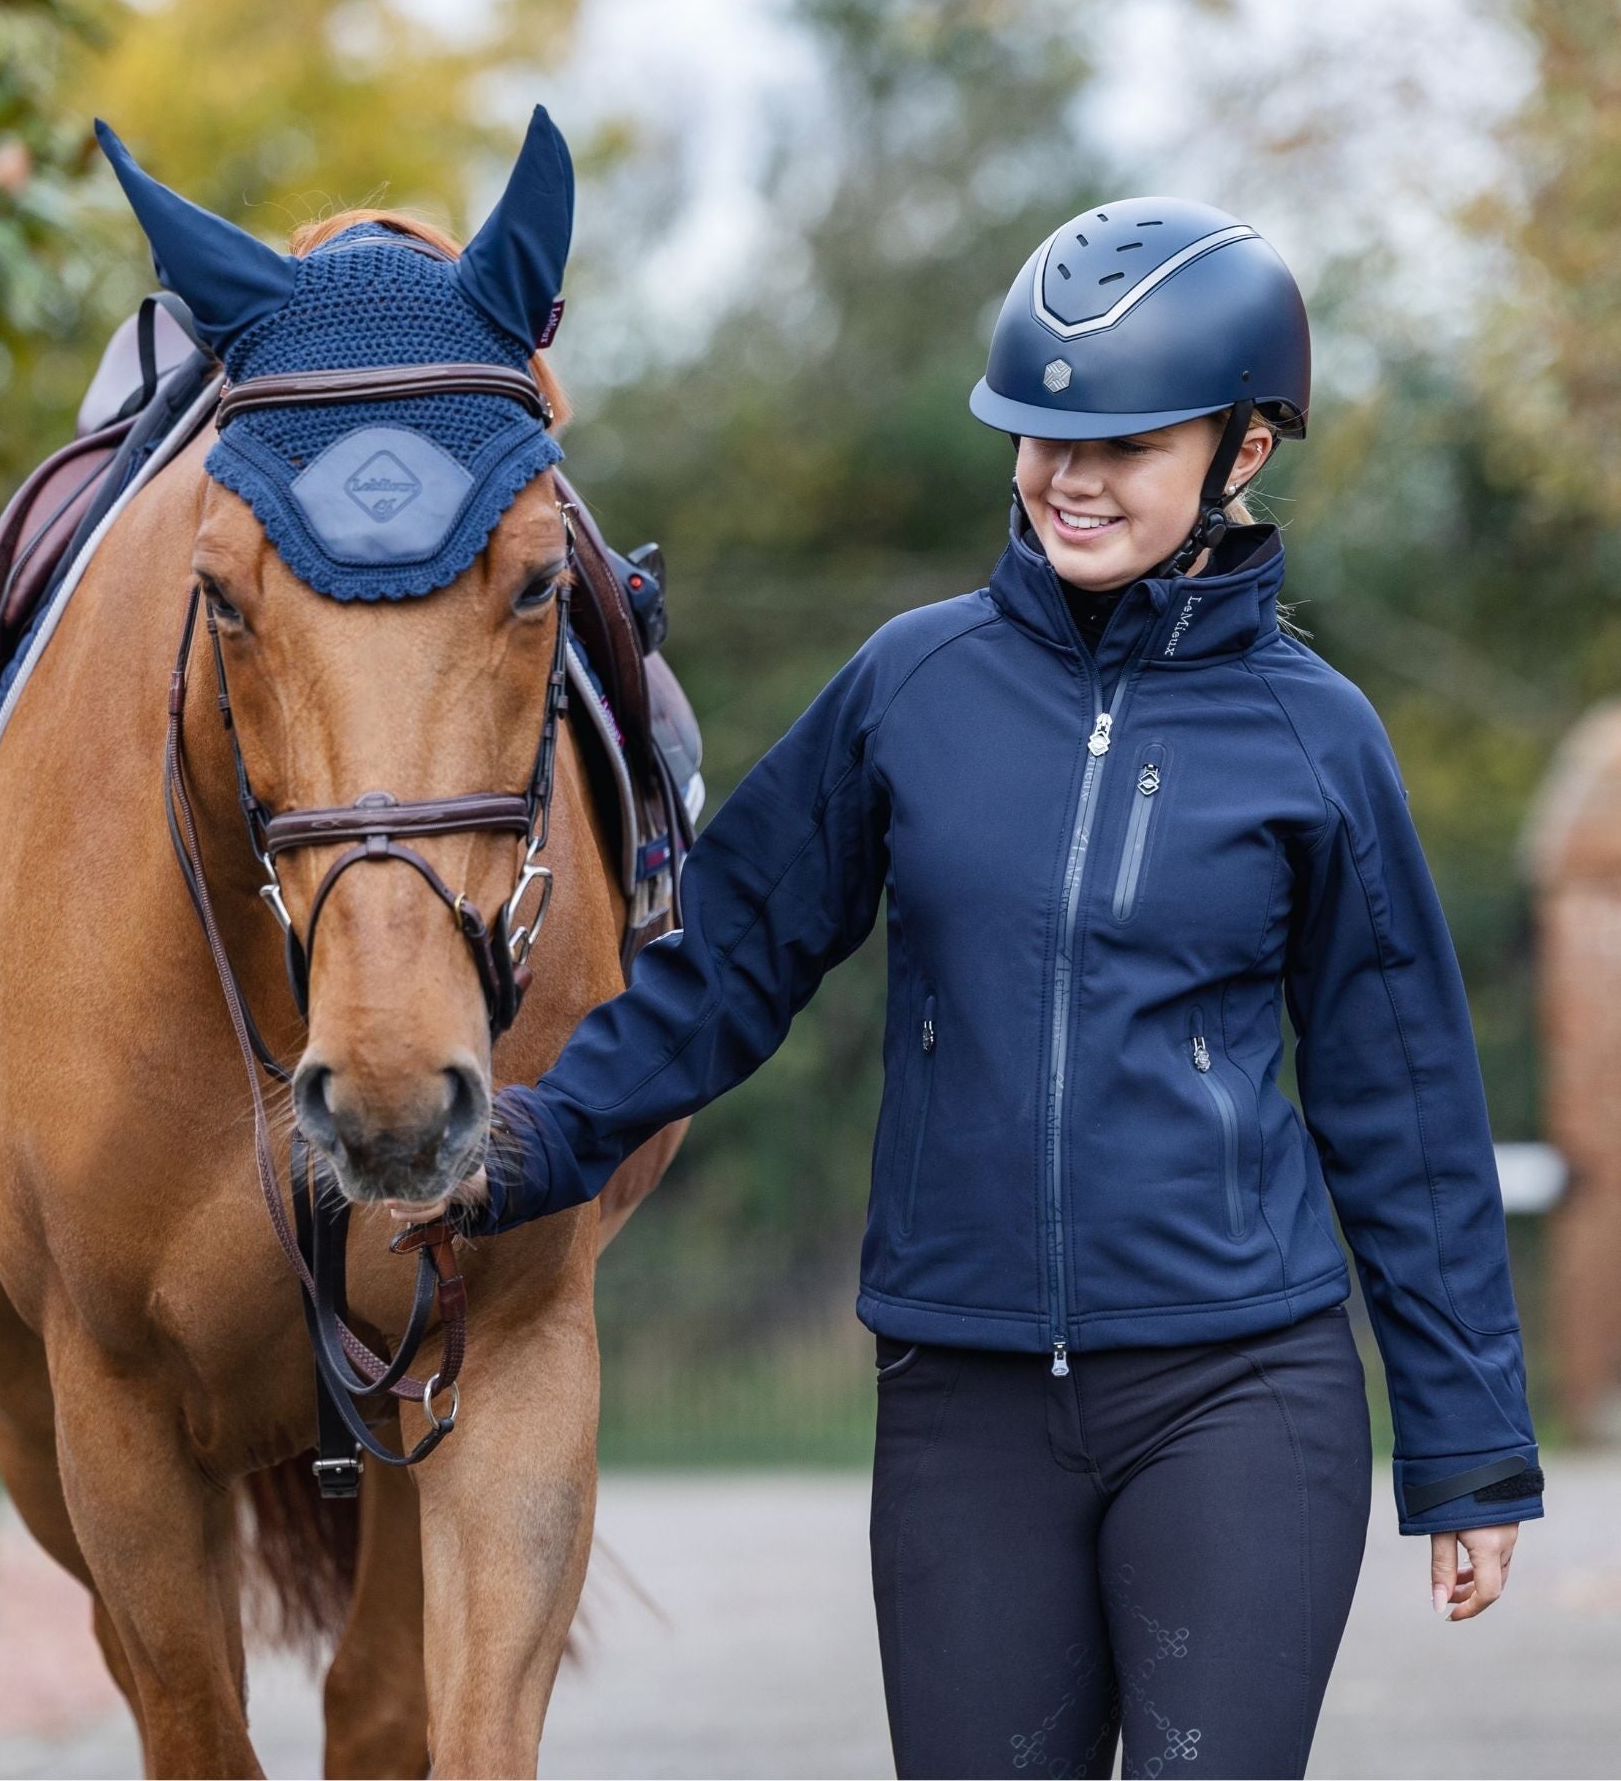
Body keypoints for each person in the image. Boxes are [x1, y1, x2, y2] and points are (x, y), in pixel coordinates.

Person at [441, 197, 1543, 1778]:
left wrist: (1469, 1447)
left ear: (1243, 451)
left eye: (1129, 446)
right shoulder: (909, 684)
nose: (1070, 478)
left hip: (1240, 1391)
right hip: (964, 1404)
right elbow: (731, 959)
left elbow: (1404, 1101)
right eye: (1040, 435)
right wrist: (534, 1141)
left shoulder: (1319, 740)